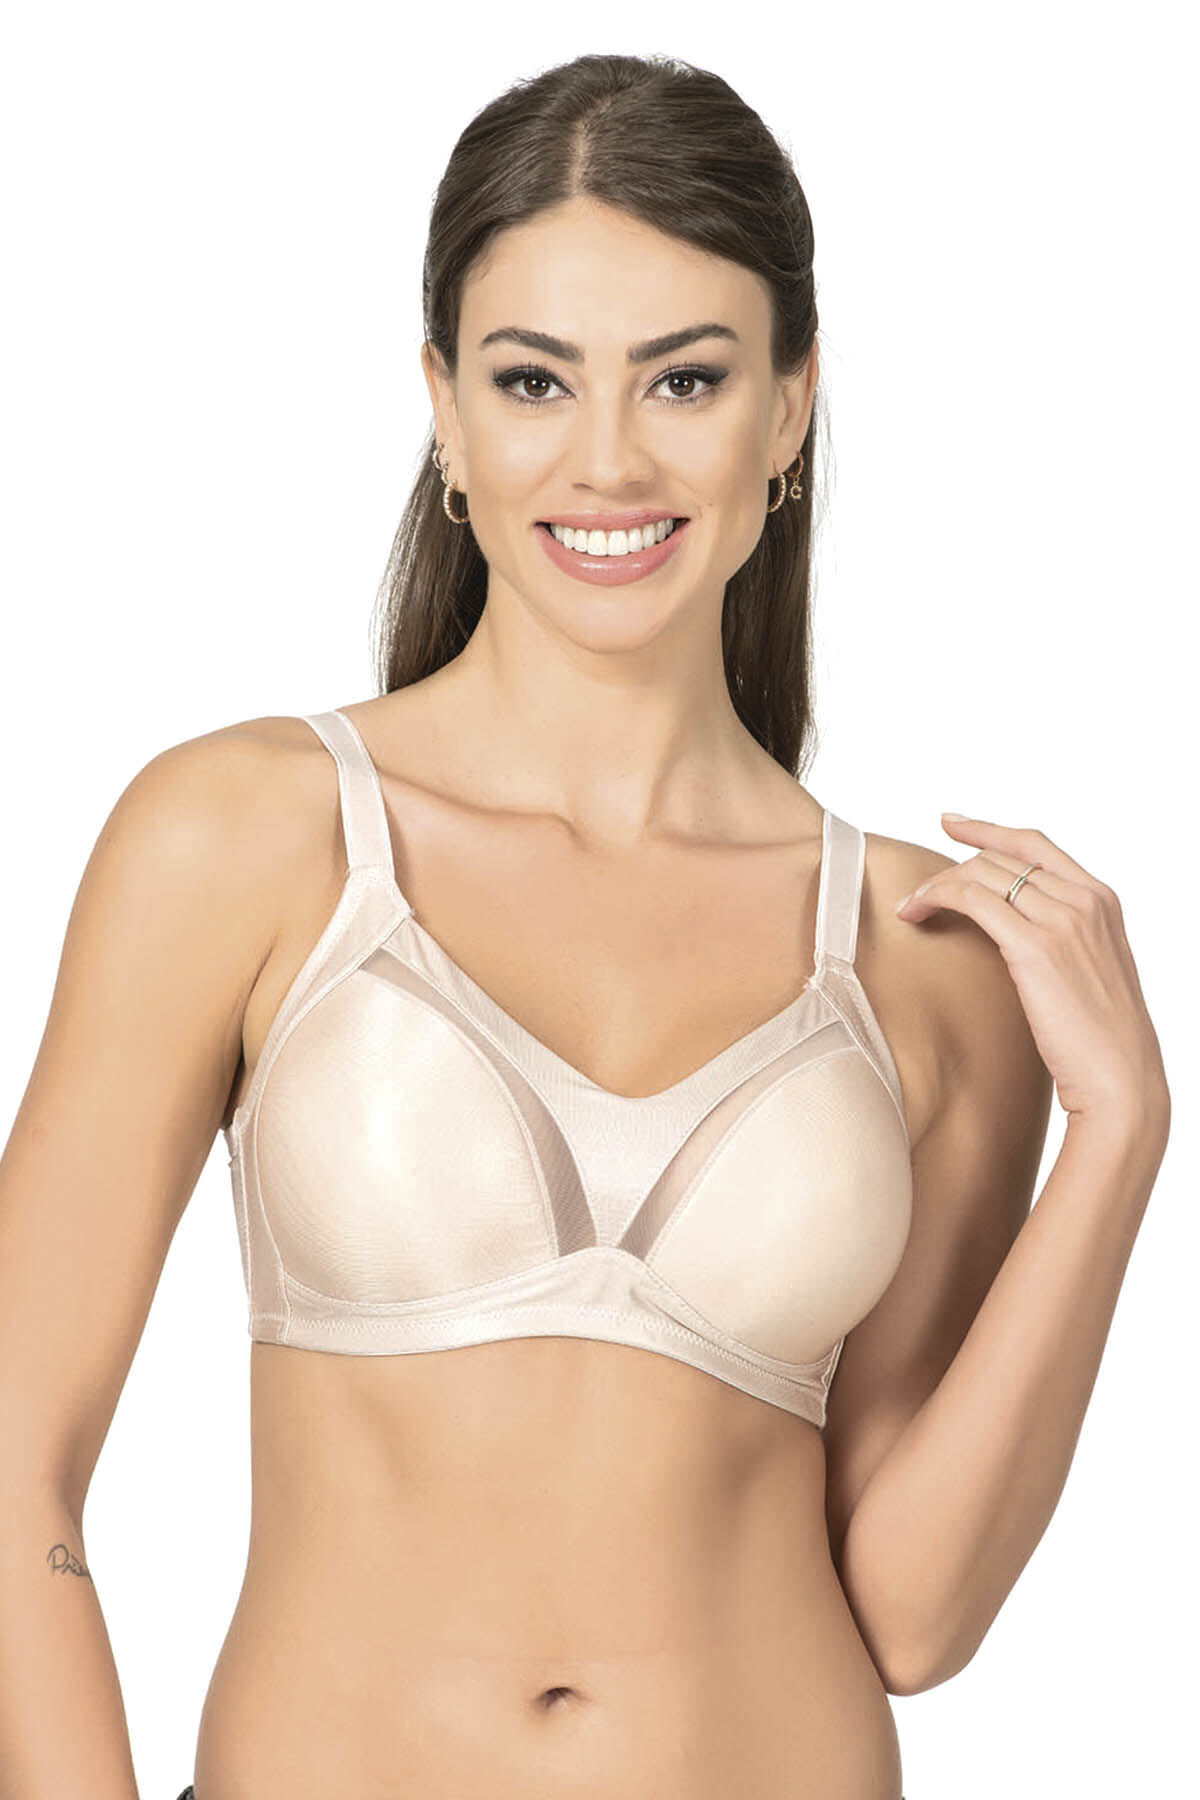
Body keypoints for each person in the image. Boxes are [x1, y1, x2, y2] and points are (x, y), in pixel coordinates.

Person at [0, 51, 1170, 1800]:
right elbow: (16, 1455)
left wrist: (1122, 1131)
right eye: (533, 379)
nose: (608, 458)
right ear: (446, 411)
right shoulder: (247, 837)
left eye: (685, 379)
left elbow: (914, 1616)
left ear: (790, 409)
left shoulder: (921, 957)